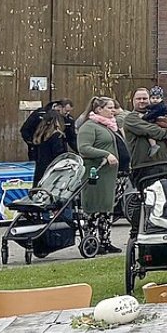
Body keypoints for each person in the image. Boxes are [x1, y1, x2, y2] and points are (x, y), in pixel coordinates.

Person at [74, 96, 123, 253]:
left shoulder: (107, 126)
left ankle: (105, 241)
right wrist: (105, 154)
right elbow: (84, 148)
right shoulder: (89, 127)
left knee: (106, 210)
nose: (112, 110)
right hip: (96, 174)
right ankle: (91, 241)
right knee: (93, 209)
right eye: (109, 107)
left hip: (109, 176)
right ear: (98, 110)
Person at [22, 99, 75, 178]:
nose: (67, 114)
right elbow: (25, 130)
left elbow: (72, 138)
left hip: (43, 159)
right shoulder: (40, 115)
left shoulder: (68, 120)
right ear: (59, 108)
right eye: (66, 111)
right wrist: (32, 145)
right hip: (45, 157)